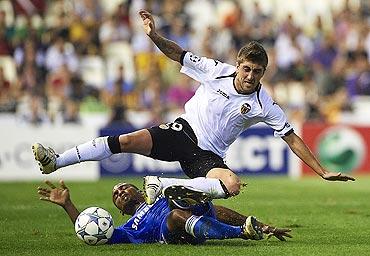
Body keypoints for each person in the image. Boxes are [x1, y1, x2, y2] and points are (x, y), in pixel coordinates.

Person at [32, 9, 354, 206]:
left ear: (262, 73)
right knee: (126, 141)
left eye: (257, 72)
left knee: (232, 184)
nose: (250, 76)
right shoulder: (216, 69)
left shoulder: (263, 103)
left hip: (207, 156)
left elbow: (291, 137)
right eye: (246, 69)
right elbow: (178, 53)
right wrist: (154, 36)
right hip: (183, 132)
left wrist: (322, 171)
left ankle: (165, 187)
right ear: (238, 64)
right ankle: (56, 161)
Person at [37, 180, 292, 244]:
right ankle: (242, 233)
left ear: (139, 190)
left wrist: (266, 226)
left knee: (182, 200)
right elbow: (94, 233)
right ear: (120, 211)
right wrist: (68, 205)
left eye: (123, 188)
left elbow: (220, 212)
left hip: (189, 212)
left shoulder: (159, 195)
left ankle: (253, 227)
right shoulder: (128, 230)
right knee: (175, 214)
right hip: (170, 232)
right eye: (115, 195)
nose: (120, 192)